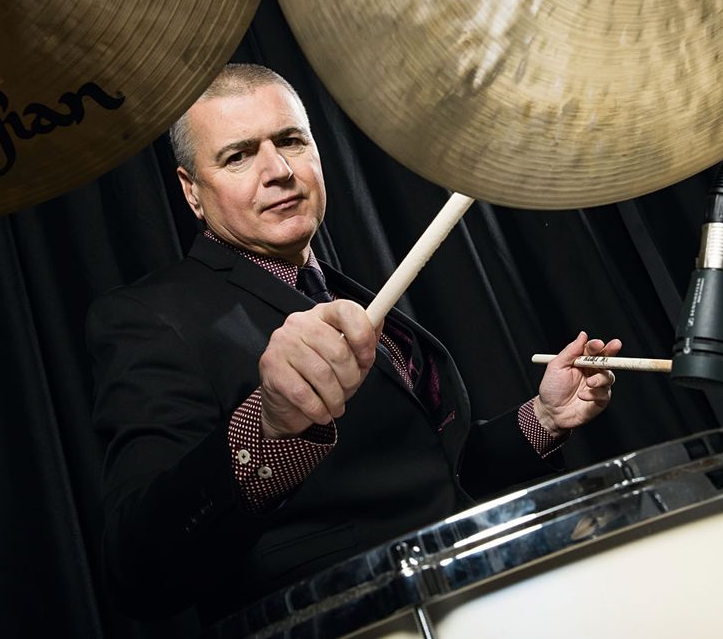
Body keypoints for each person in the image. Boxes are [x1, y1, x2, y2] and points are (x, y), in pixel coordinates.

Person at [86, 63, 621, 626]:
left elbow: (436, 474)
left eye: (290, 141)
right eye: (238, 155)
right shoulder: (149, 317)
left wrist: (543, 419)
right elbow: (136, 569)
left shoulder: (347, 294)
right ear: (192, 191)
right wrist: (266, 429)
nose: (278, 171)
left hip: (476, 604)